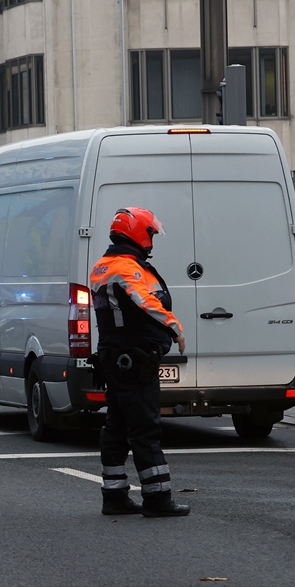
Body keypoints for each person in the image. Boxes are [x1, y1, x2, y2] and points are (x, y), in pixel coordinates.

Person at [90, 207, 190, 518]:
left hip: (115, 358)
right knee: (145, 428)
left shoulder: (103, 265)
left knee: (117, 426)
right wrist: (175, 327)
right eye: (150, 234)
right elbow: (144, 301)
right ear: (137, 234)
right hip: (133, 360)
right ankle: (157, 498)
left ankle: (114, 494)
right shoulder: (125, 268)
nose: (152, 240)